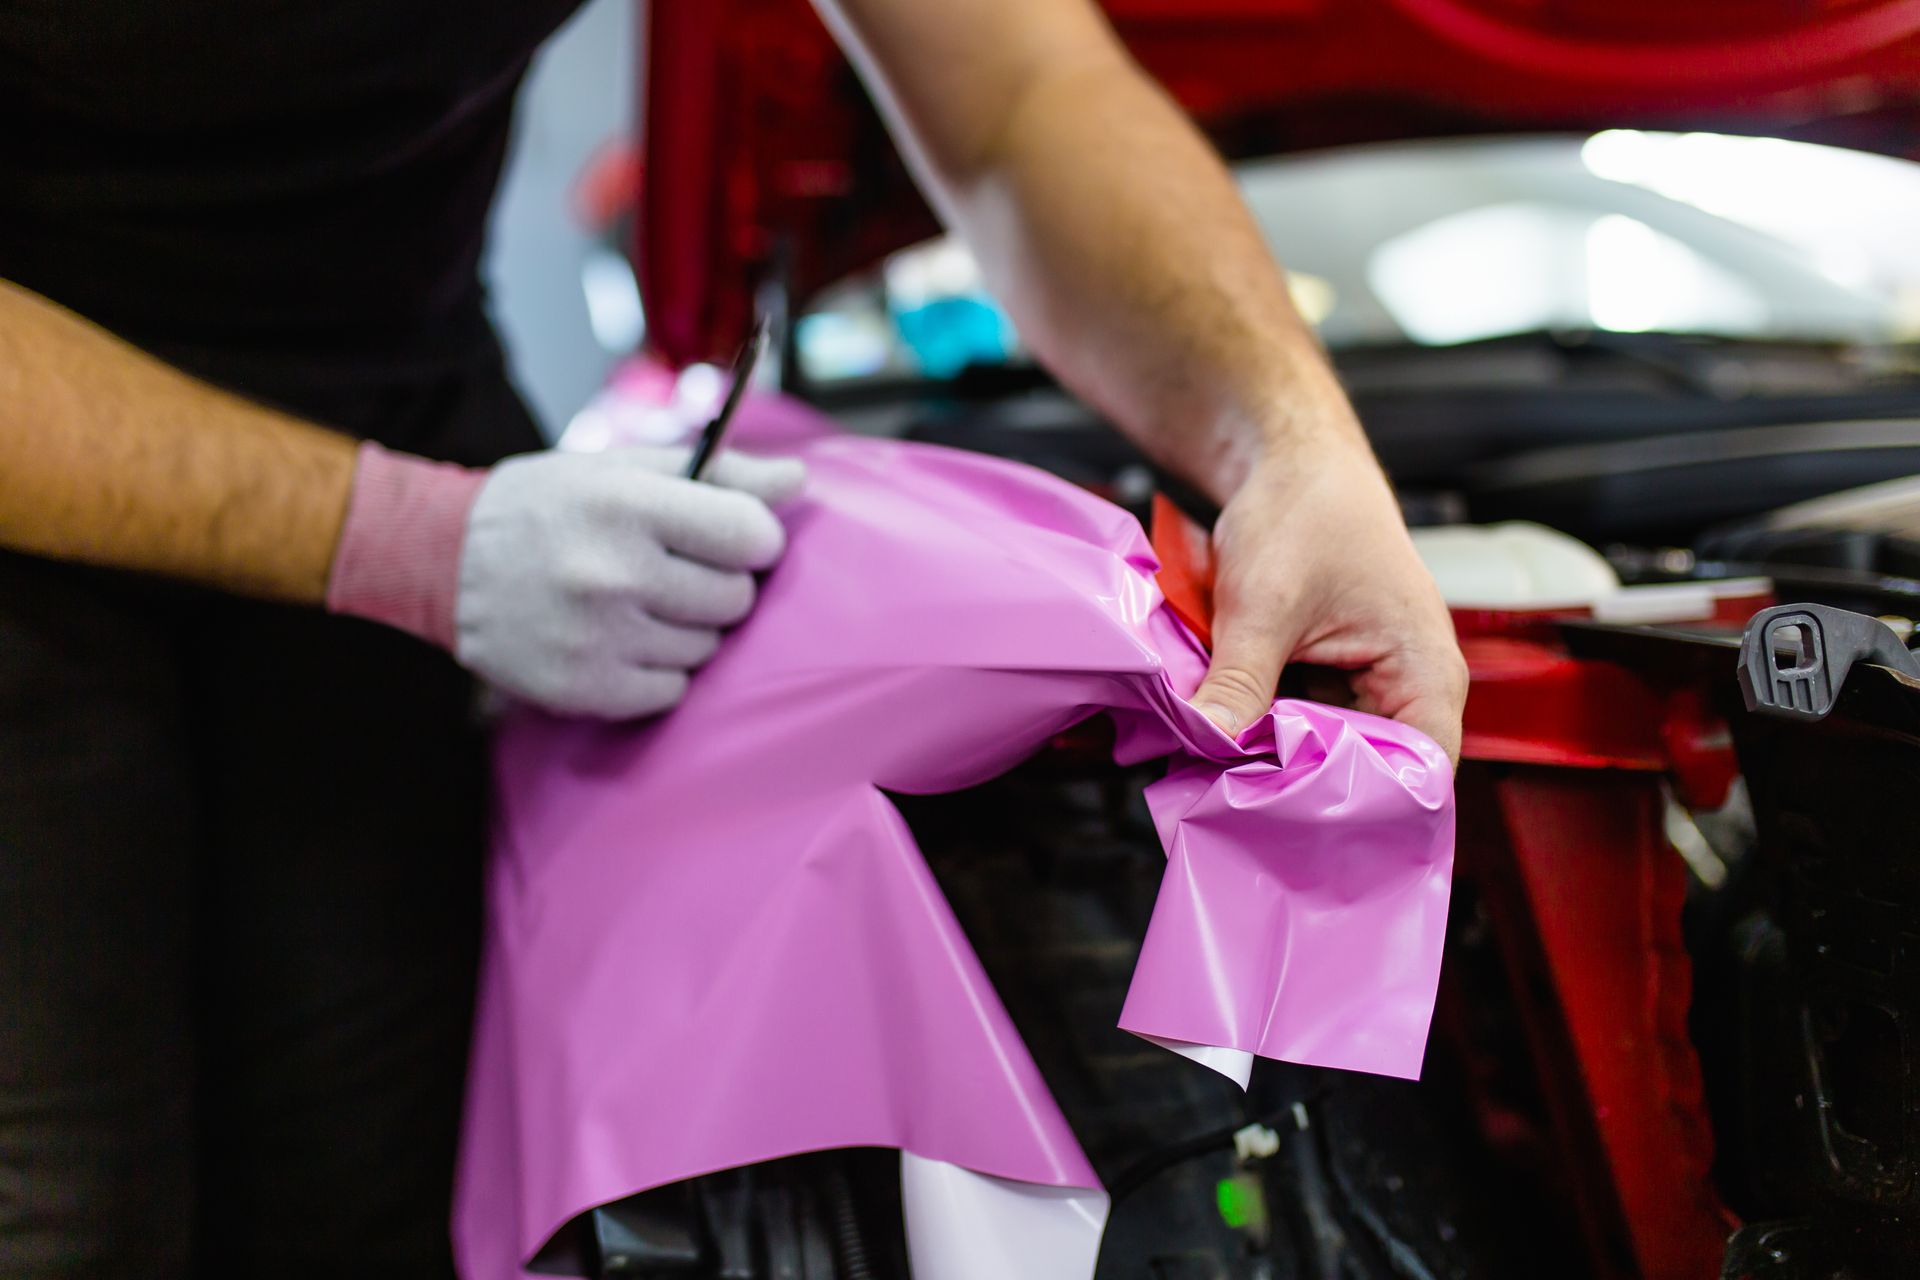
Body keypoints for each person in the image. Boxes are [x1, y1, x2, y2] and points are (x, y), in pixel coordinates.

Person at [0, 0, 1467, 1274]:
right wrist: (408, 540)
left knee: (362, 1200)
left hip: (401, 402)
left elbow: (1022, 95)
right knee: (63, 1210)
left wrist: (1291, 448)